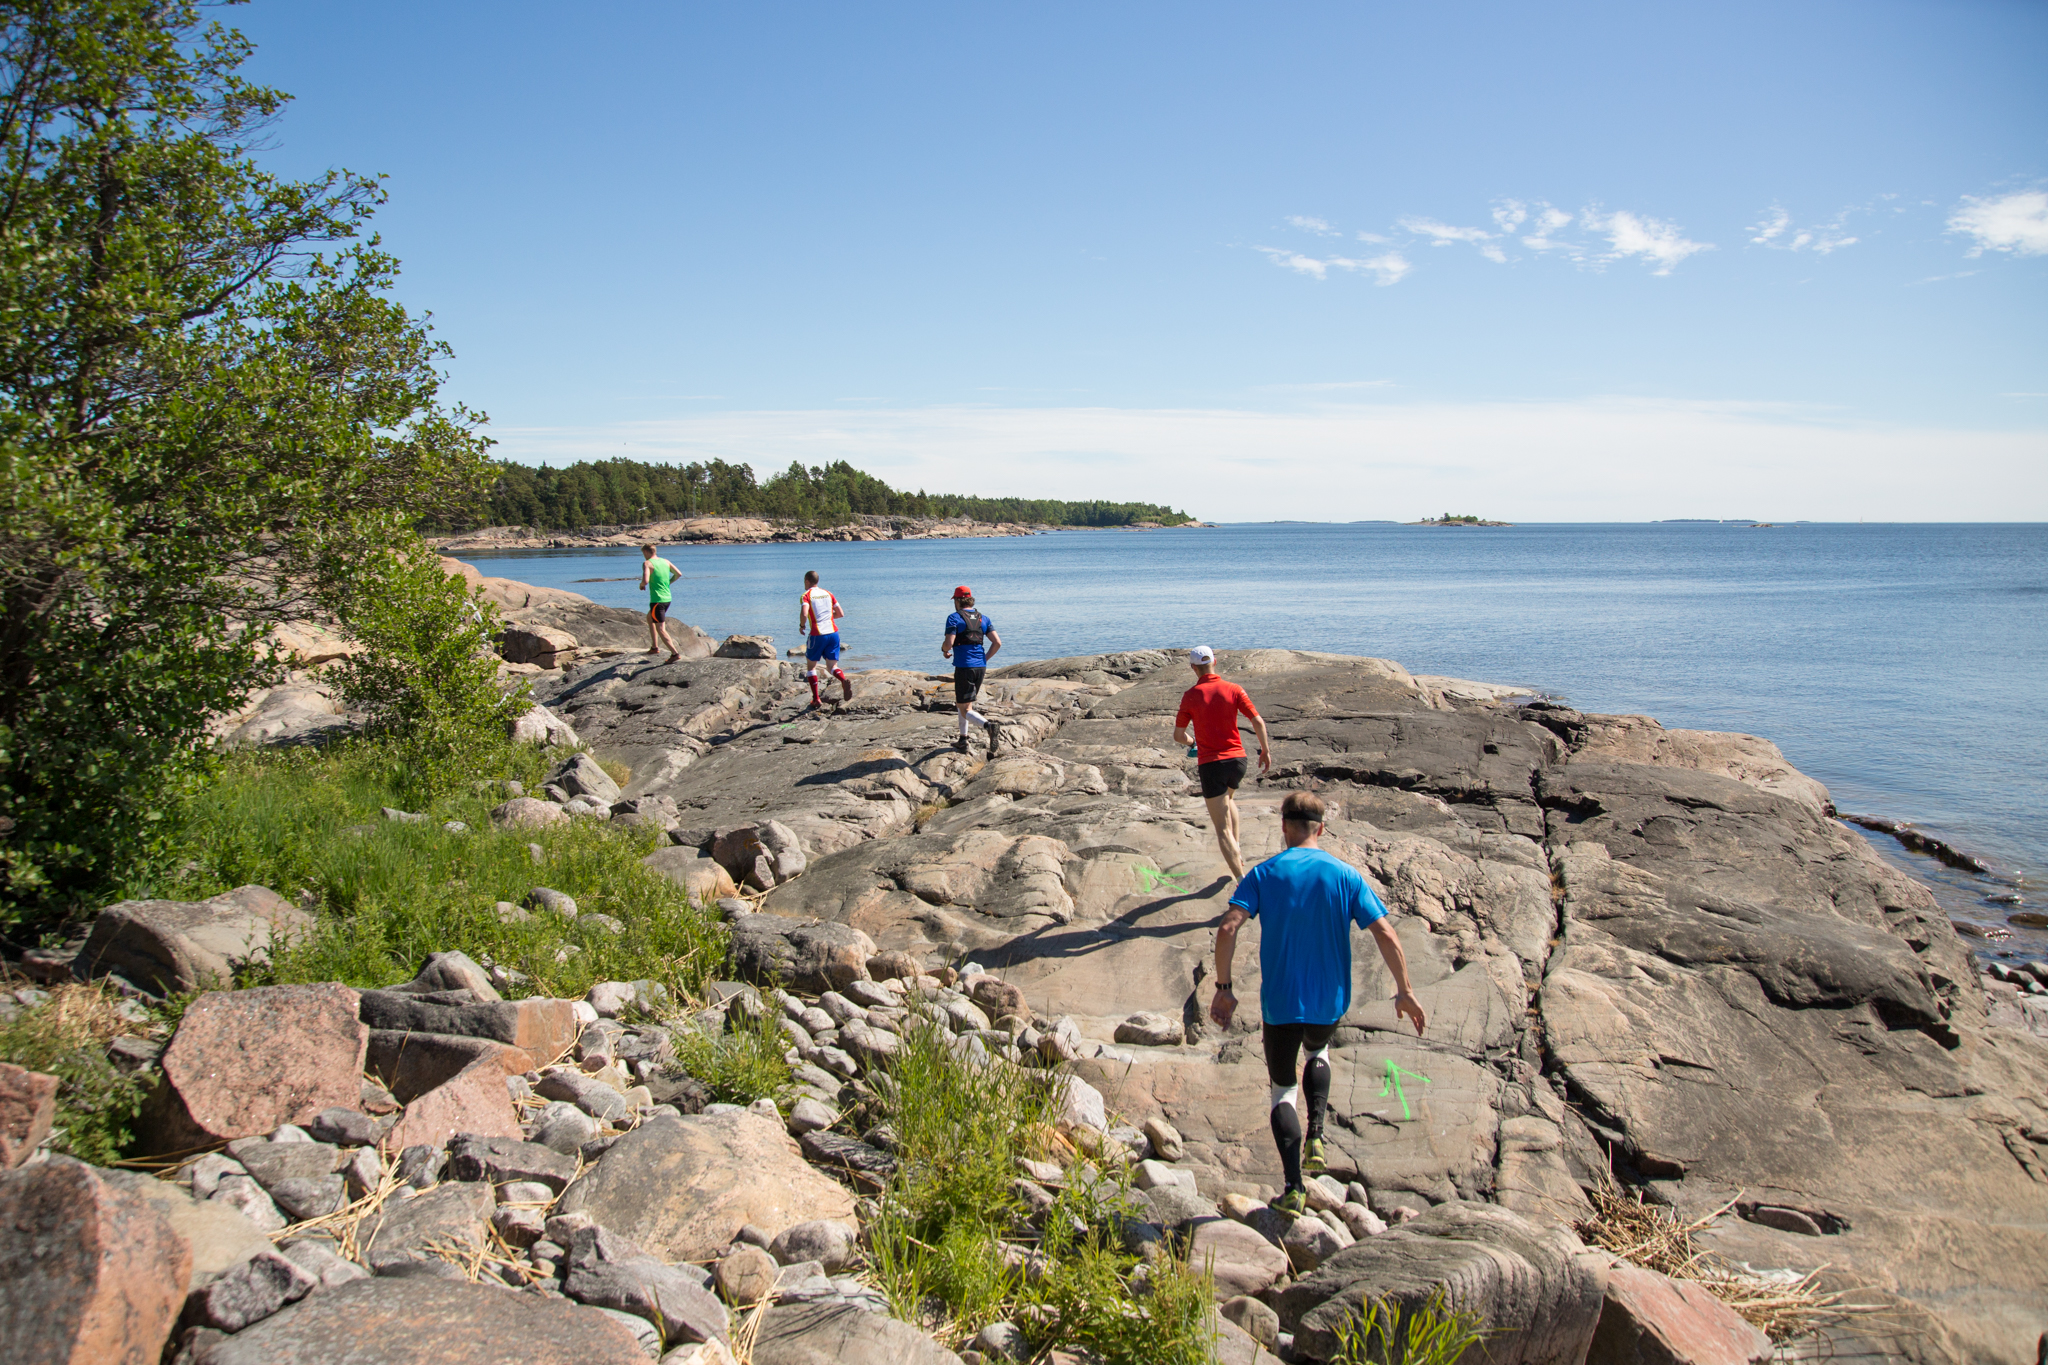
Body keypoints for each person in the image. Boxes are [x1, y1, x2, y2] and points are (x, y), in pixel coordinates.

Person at [1210, 790, 1428, 1215]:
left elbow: (1228, 928)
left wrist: (1224, 987)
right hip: (1329, 1002)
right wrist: (1404, 990)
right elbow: (1385, 932)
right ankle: (1317, 1136)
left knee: (1282, 1090)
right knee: (1318, 1050)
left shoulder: (1265, 873)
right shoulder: (1345, 875)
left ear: (1284, 827)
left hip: (1280, 1004)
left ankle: (1293, 1188)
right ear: (1321, 829)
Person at [1173, 646, 1271, 879]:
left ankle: (1241, 880)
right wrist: (1265, 750)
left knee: (1222, 829)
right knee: (1229, 799)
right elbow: (1257, 721)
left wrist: (1193, 742)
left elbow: (1178, 735)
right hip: (1238, 761)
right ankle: (1237, 851)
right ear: (1214, 662)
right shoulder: (1234, 689)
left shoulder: (1190, 696)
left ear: (1193, 668)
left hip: (1212, 765)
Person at [940, 585, 1003, 756]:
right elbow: (997, 643)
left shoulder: (954, 618)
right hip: (980, 667)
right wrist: (984, 659)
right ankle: (963, 739)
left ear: (957, 601)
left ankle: (988, 726)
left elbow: (949, 644)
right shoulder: (984, 618)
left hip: (964, 667)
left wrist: (944, 650)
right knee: (965, 704)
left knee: (964, 708)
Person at [798, 569, 852, 707]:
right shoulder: (828, 593)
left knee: (811, 667)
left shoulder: (806, 595)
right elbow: (840, 613)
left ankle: (816, 699)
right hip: (833, 633)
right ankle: (843, 680)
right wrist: (827, 617)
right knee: (832, 666)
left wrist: (802, 626)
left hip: (818, 634)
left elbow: (804, 613)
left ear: (807, 581)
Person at [639, 544, 682, 663]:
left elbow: (646, 581)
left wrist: (641, 585)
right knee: (649, 618)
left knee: (661, 629)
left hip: (657, 600)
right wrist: (668, 583)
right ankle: (654, 647)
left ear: (646, 552)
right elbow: (678, 574)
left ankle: (675, 654)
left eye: (643, 553)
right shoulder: (665, 561)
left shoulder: (647, 563)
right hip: (667, 598)